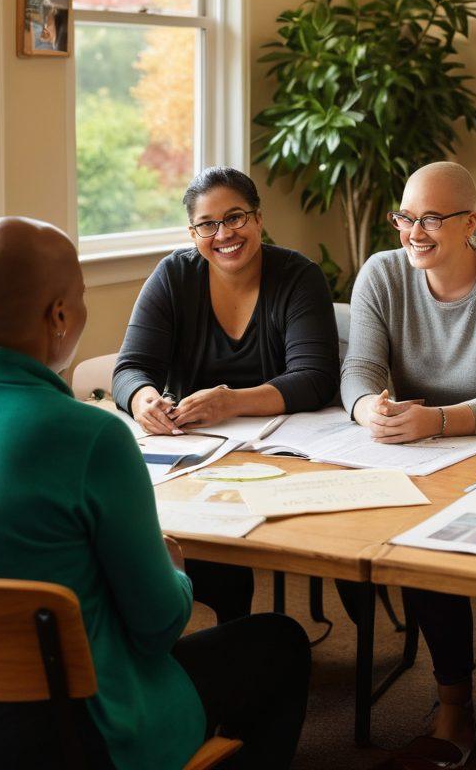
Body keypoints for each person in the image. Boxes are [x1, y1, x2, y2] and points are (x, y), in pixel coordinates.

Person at [0, 217, 311, 770]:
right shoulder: (90, 435)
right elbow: (157, 628)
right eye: (79, 298)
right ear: (60, 314)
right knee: (279, 642)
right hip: (73, 733)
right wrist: (174, 570)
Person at [340, 161, 476, 769]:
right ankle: (452, 701)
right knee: (414, 545)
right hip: (408, 448)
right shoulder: (382, 273)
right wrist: (365, 410)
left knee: (458, 545)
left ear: (470, 223)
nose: (414, 232)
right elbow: (359, 370)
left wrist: (437, 420)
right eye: (406, 216)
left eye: (431, 218)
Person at [113, 166, 339, 623]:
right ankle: (231, 645)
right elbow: (130, 368)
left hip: (287, 457)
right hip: (200, 458)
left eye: (236, 218)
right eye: (208, 225)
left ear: (258, 219)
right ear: (193, 232)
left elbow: (315, 378)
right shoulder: (174, 276)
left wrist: (231, 401)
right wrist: (144, 400)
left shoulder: (298, 275)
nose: (224, 234)